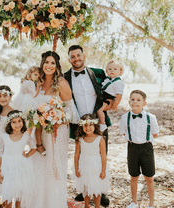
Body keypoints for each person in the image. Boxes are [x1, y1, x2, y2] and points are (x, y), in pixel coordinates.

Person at [30, 51, 79, 208]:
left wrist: (58, 118)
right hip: (38, 132)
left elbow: (73, 113)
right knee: (38, 166)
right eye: (46, 62)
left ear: (57, 66)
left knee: (54, 166)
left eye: (52, 63)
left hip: (57, 132)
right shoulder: (36, 82)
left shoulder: (62, 83)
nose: (49, 66)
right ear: (42, 64)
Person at [64, 45, 111, 206]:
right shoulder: (64, 78)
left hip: (99, 121)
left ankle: (101, 191)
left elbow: (109, 91)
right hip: (79, 124)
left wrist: (108, 103)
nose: (76, 58)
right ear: (69, 59)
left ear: (84, 56)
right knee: (82, 154)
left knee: (101, 154)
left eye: (78, 55)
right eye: (72, 56)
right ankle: (84, 189)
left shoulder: (98, 73)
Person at [119, 90, 159, 208]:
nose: (135, 102)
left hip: (146, 147)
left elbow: (155, 133)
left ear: (144, 103)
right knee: (133, 176)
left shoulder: (151, 117)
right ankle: (134, 202)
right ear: (129, 101)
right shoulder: (124, 117)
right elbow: (122, 132)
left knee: (149, 177)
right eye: (132, 99)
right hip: (132, 148)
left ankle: (151, 204)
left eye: (138, 100)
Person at [0, 110, 36, 208]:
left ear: (23, 122)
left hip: (21, 168)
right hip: (7, 168)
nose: (17, 124)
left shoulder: (26, 136)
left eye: (19, 121)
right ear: (9, 123)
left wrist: (27, 155)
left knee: (19, 195)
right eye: (14, 122)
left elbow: (34, 148)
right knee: (7, 196)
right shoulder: (4, 137)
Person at [73, 114, 110, 208]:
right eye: (85, 125)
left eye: (90, 125)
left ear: (95, 125)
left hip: (96, 167)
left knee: (96, 188)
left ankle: (97, 206)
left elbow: (103, 156)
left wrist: (103, 170)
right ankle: (86, 205)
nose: (87, 127)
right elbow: (76, 155)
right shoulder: (79, 139)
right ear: (81, 126)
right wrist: (76, 169)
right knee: (86, 188)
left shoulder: (100, 139)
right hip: (84, 166)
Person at [97, 60, 124, 125]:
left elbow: (119, 95)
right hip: (102, 96)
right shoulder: (107, 79)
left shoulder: (119, 82)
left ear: (120, 71)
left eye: (115, 69)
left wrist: (115, 105)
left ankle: (102, 124)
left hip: (107, 98)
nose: (112, 70)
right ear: (106, 71)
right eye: (110, 69)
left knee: (99, 110)